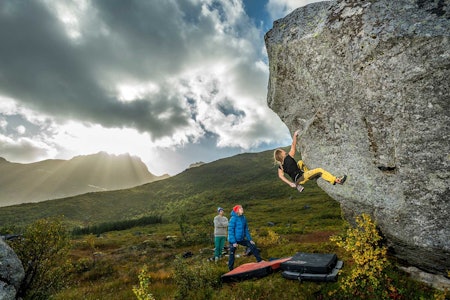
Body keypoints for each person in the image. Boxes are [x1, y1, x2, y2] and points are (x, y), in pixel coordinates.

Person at [274, 129, 347, 192]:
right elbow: (293, 146)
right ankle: (337, 180)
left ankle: (309, 174)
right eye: (282, 151)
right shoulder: (289, 157)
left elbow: (280, 176)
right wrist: (295, 135)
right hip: (302, 177)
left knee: (300, 162)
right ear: (281, 154)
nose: (283, 151)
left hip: (297, 180)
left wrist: (290, 183)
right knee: (320, 170)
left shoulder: (281, 167)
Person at [227, 205, 262, 270]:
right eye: (240, 208)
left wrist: (250, 239)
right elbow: (230, 231)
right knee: (232, 252)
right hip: (233, 239)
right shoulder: (233, 219)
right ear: (237, 210)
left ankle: (260, 261)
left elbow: (246, 230)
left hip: (240, 239)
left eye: (242, 208)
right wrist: (234, 242)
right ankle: (230, 268)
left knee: (252, 245)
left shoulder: (243, 218)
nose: (242, 209)